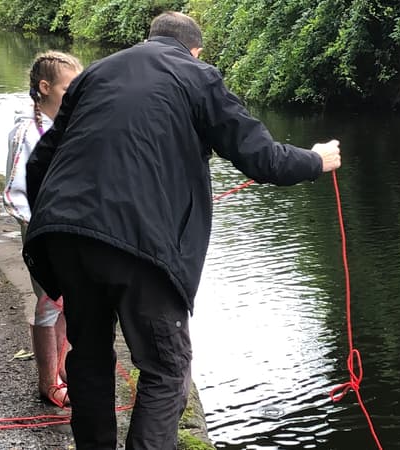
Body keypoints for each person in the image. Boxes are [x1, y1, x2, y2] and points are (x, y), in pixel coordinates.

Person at [22, 12, 341, 450]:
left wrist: (53, 227)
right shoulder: (198, 76)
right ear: (196, 50)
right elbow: (263, 158)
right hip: (141, 243)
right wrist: (316, 159)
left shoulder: (96, 72)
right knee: (166, 367)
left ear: (148, 39)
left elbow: (40, 161)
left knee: (90, 356)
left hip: (64, 236)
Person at [2, 50, 83, 407]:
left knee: (67, 301)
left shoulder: (63, 126)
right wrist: (40, 229)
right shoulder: (26, 132)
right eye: (69, 89)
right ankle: (47, 381)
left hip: (65, 228)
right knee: (50, 300)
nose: (75, 95)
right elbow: (16, 191)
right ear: (44, 87)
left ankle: (64, 369)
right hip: (42, 231)